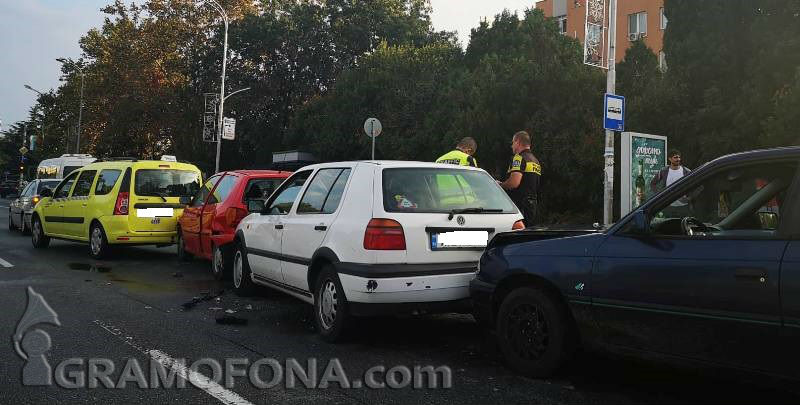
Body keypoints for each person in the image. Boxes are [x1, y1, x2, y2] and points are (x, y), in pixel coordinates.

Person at [499, 131, 541, 226]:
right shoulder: (535, 160)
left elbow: (514, 183)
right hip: (532, 206)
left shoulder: (519, 158)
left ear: (517, 142)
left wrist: (500, 185)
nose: (512, 146)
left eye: (513, 143)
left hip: (520, 206)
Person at [650, 149, 692, 217]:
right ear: (670, 159)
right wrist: (660, 195)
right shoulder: (664, 171)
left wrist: (689, 198)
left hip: (683, 206)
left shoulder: (686, 171)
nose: (678, 159)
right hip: (668, 206)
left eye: (679, 157)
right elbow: (653, 183)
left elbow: (699, 186)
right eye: (675, 157)